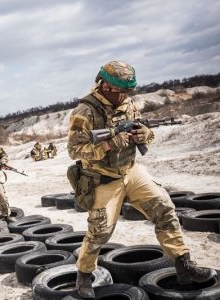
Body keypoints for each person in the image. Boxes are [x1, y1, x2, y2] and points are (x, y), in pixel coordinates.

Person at [67, 60, 215, 298]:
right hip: (103, 178)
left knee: (165, 209)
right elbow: (75, 151)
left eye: (127, 91)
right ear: (105, 85)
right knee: (99, 232)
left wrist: (146, 134)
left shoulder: (128, 104)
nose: (124, 95)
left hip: (131, 171)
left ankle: (184, 267)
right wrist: (109, 143)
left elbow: (143, 130)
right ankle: (83, 276)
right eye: (120, 91)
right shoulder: (85, 112)